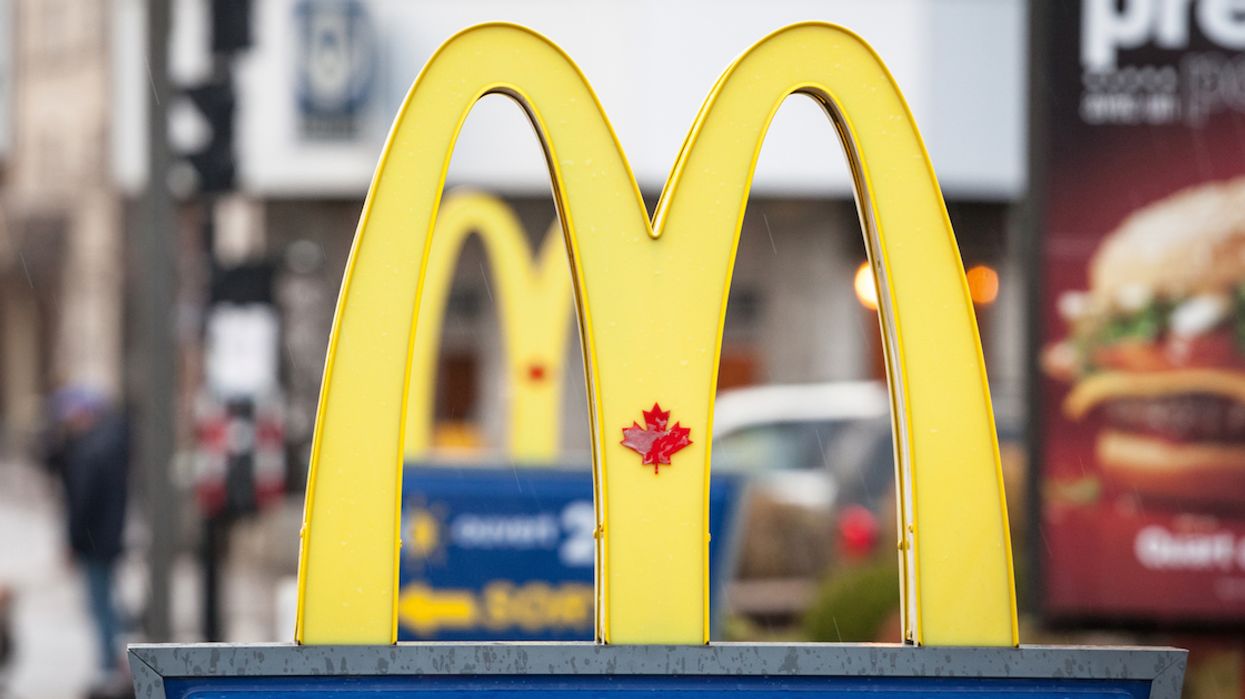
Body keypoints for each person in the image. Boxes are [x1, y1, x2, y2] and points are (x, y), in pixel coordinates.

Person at [44, 388, 130, 696]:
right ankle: (116, 658)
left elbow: (81, 501)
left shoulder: (89, 451)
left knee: (100, 603)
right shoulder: (108, 443)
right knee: (106, 599)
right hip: (107, 537)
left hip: (95, 541)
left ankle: (110, 665)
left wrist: (73, 540)